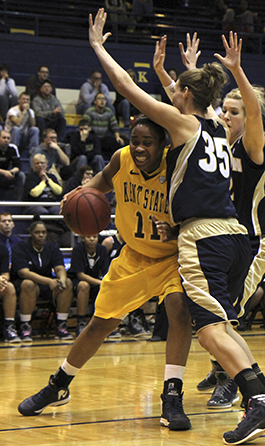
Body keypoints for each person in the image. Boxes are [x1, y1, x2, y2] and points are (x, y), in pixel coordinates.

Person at [151, 23, 265, 443]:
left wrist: (239, 73)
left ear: (248, 118)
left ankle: (246, 389)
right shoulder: (214, 143)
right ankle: (255, 392)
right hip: (225, 240)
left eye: (233, 112)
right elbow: (191, 107)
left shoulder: (253, 147)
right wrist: (180, 73)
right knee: (219, 324)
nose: (224, 115)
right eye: (221, 110)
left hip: (253, 241)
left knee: (216, 326)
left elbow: (235, 109)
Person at [18, 114, 192, 432]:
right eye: (134, 140)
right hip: (133, 256)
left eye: (147, 142)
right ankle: (59, 384)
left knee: (179, 312)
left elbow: (201, 209)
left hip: (172, 257)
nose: (138, 147)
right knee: (100, 324)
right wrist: (78, 195)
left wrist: (176, 227)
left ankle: (172, 395)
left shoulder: (177, 163)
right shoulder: (121, 158)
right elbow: (102, 179)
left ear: (163, 144)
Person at [11, 216, 74, 342]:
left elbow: (60, 268)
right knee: (28, 284)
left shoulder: (52, 248)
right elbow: (24, 273)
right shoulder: (20, 247)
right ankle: (25, 326)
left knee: (67, 283)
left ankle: (61, 325)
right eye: (37, 232)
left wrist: (61, 278)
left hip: (46, 283)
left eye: (43, 232)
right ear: (30, 233)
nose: (41, 235)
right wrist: (49, 281)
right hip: (23, 284)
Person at [68, 234, 109, 338]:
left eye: (94, 236)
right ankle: (81, 322)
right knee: (84, 286)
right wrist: (100, 282)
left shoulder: (102, 249)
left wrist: (105, 282)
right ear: (83, 238)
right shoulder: (78, 249)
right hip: (77, 281)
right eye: (88, 237)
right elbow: (80, 275)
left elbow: (106, 272)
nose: (91, 239)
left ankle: (102, 323)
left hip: (95, 280)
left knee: (107, 287)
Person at [83, 92, 125, 160]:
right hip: (93, 138)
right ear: (95, 101)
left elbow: (114, 125)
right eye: (99, 99)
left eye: (104, 99)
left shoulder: (109, 111)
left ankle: (116, 161)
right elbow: (84, 124)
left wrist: (117, 137)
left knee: (120, 142)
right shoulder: (90, 111)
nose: (102, 101)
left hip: (103, 138)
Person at [0, 243, 20, 343]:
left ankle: (9, 327)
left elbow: (5, 274)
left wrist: (2, 280)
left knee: (9, 287)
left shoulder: (2, 247)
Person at [0, 129, 26, 201]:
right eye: (4, 138)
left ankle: (19, 201)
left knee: (21, 175)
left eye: (8, 138)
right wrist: (5, 172)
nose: (6, 140)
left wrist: (12, 172)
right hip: (2, 173)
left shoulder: (12, 149)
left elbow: (18, 166)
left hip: (7, 174)